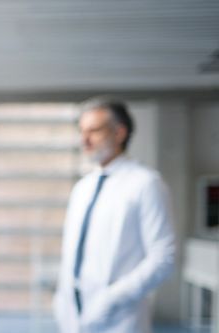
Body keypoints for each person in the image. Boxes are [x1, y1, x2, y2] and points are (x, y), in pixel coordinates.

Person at [53, 97, 175, 333]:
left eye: (94, 131)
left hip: (120, 317)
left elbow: (163, 258)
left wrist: (112, 299)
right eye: (82, 131)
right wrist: (61, 300)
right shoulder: (83, 188)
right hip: (73, 315)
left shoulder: (146, 183)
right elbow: (71, 253)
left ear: (119, 133)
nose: (84, 140)